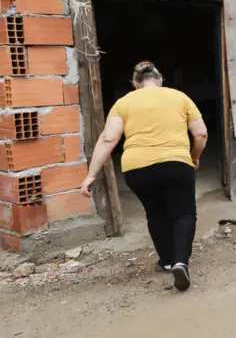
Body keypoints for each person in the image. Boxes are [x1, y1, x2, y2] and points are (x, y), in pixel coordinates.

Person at [80, 61, 208, 291]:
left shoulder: (123, 103)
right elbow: (200, 133)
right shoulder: (179, 97)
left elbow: (109, 139)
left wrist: (91, 175)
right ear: (160, 79)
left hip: (136, 169)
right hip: (175, 163)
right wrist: (194, 156)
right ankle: (181, 262)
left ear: (135, 84)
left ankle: (167, 260)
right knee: (183, 213)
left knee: (155, 212)